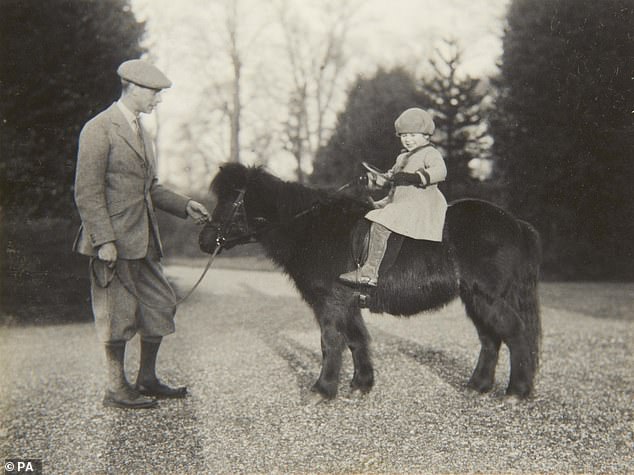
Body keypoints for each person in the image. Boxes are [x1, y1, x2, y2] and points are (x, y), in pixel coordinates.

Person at [73, 59, 210, 409]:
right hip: (113, 243)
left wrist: (185, 205)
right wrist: (103, 240)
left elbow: (151, 187)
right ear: (133, 87)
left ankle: (146, 379)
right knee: (116, 316)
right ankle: (116, 388)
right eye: (154, 93)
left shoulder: (141, 132)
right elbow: (87, 191)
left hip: (144, 242)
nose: (158, 100)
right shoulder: (99, 128)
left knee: (161, 305)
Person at [339, 107, 448, 287]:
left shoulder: (430, 153)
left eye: (413, 135)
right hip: (399, 202)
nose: (408, 139)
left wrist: (415, 177)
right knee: (366, 212)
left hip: (420, 204)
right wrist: (372, 179)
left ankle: (369, 273)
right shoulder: (402, 157)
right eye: (404, 135)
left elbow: (440, 171)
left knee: (381, 223)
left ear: (426, 135)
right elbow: (389, 177)